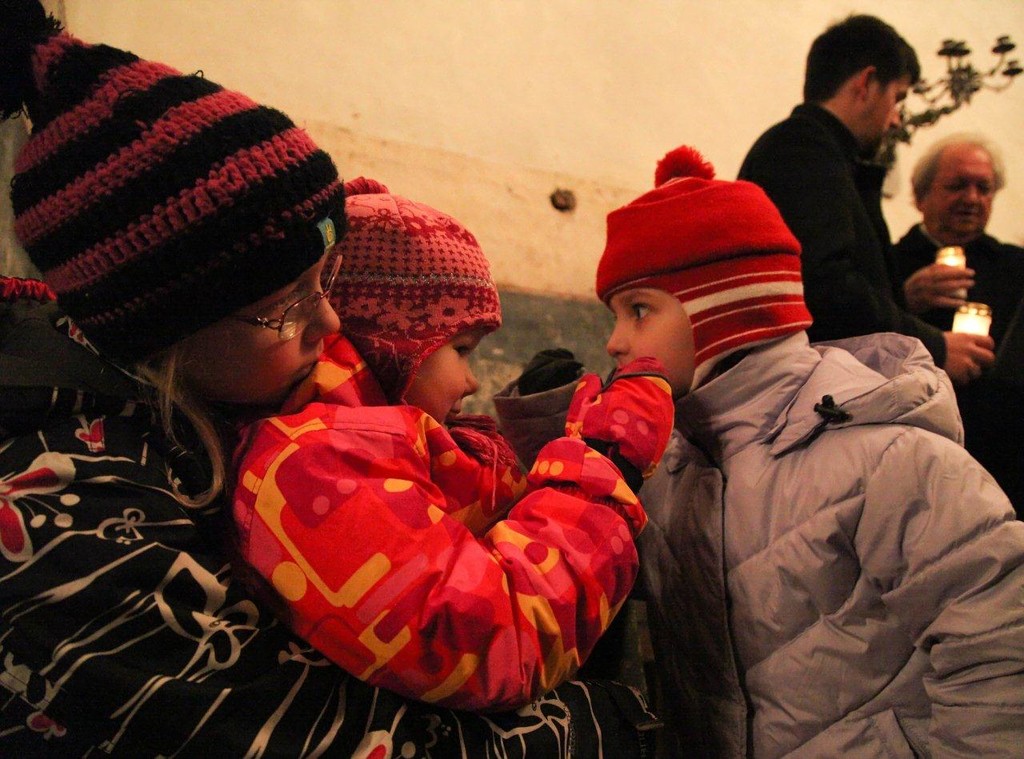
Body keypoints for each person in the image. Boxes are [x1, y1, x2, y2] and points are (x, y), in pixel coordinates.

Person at [0, 3, 668, 755]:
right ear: (163, 329)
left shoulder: (208, 420)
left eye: (326, 281)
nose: (329, 321)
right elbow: (340, 736)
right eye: (284, 306)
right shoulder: (61, 513)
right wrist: (606, 725)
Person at [495, 145, 1024, 758]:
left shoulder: (890, 456)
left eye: (638, 310)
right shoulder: (677, 462)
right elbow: (603, 572)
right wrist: (560, 435)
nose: (614, 341)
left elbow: (997, 643)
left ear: (724, 311)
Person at [231, 178, 675, 713]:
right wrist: (602, 466)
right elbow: (495, 639)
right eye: (462, 349)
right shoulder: (315, 464)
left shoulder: (374, 446)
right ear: (392, 346)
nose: (472, 381)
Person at [738, 14, 996, 387]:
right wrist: (936, 347)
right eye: (897, 98)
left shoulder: (819, 152)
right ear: (866, 83)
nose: (896, 120)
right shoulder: (802, 148)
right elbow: (825, 286)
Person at [894, 134, 1024, 515]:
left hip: (1006, 453)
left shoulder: (1016, 267)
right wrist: (904, 299)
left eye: (983, 188)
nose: (971, 198)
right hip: (916, 447)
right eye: (957, 186)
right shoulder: (890, 263)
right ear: (920, 195)